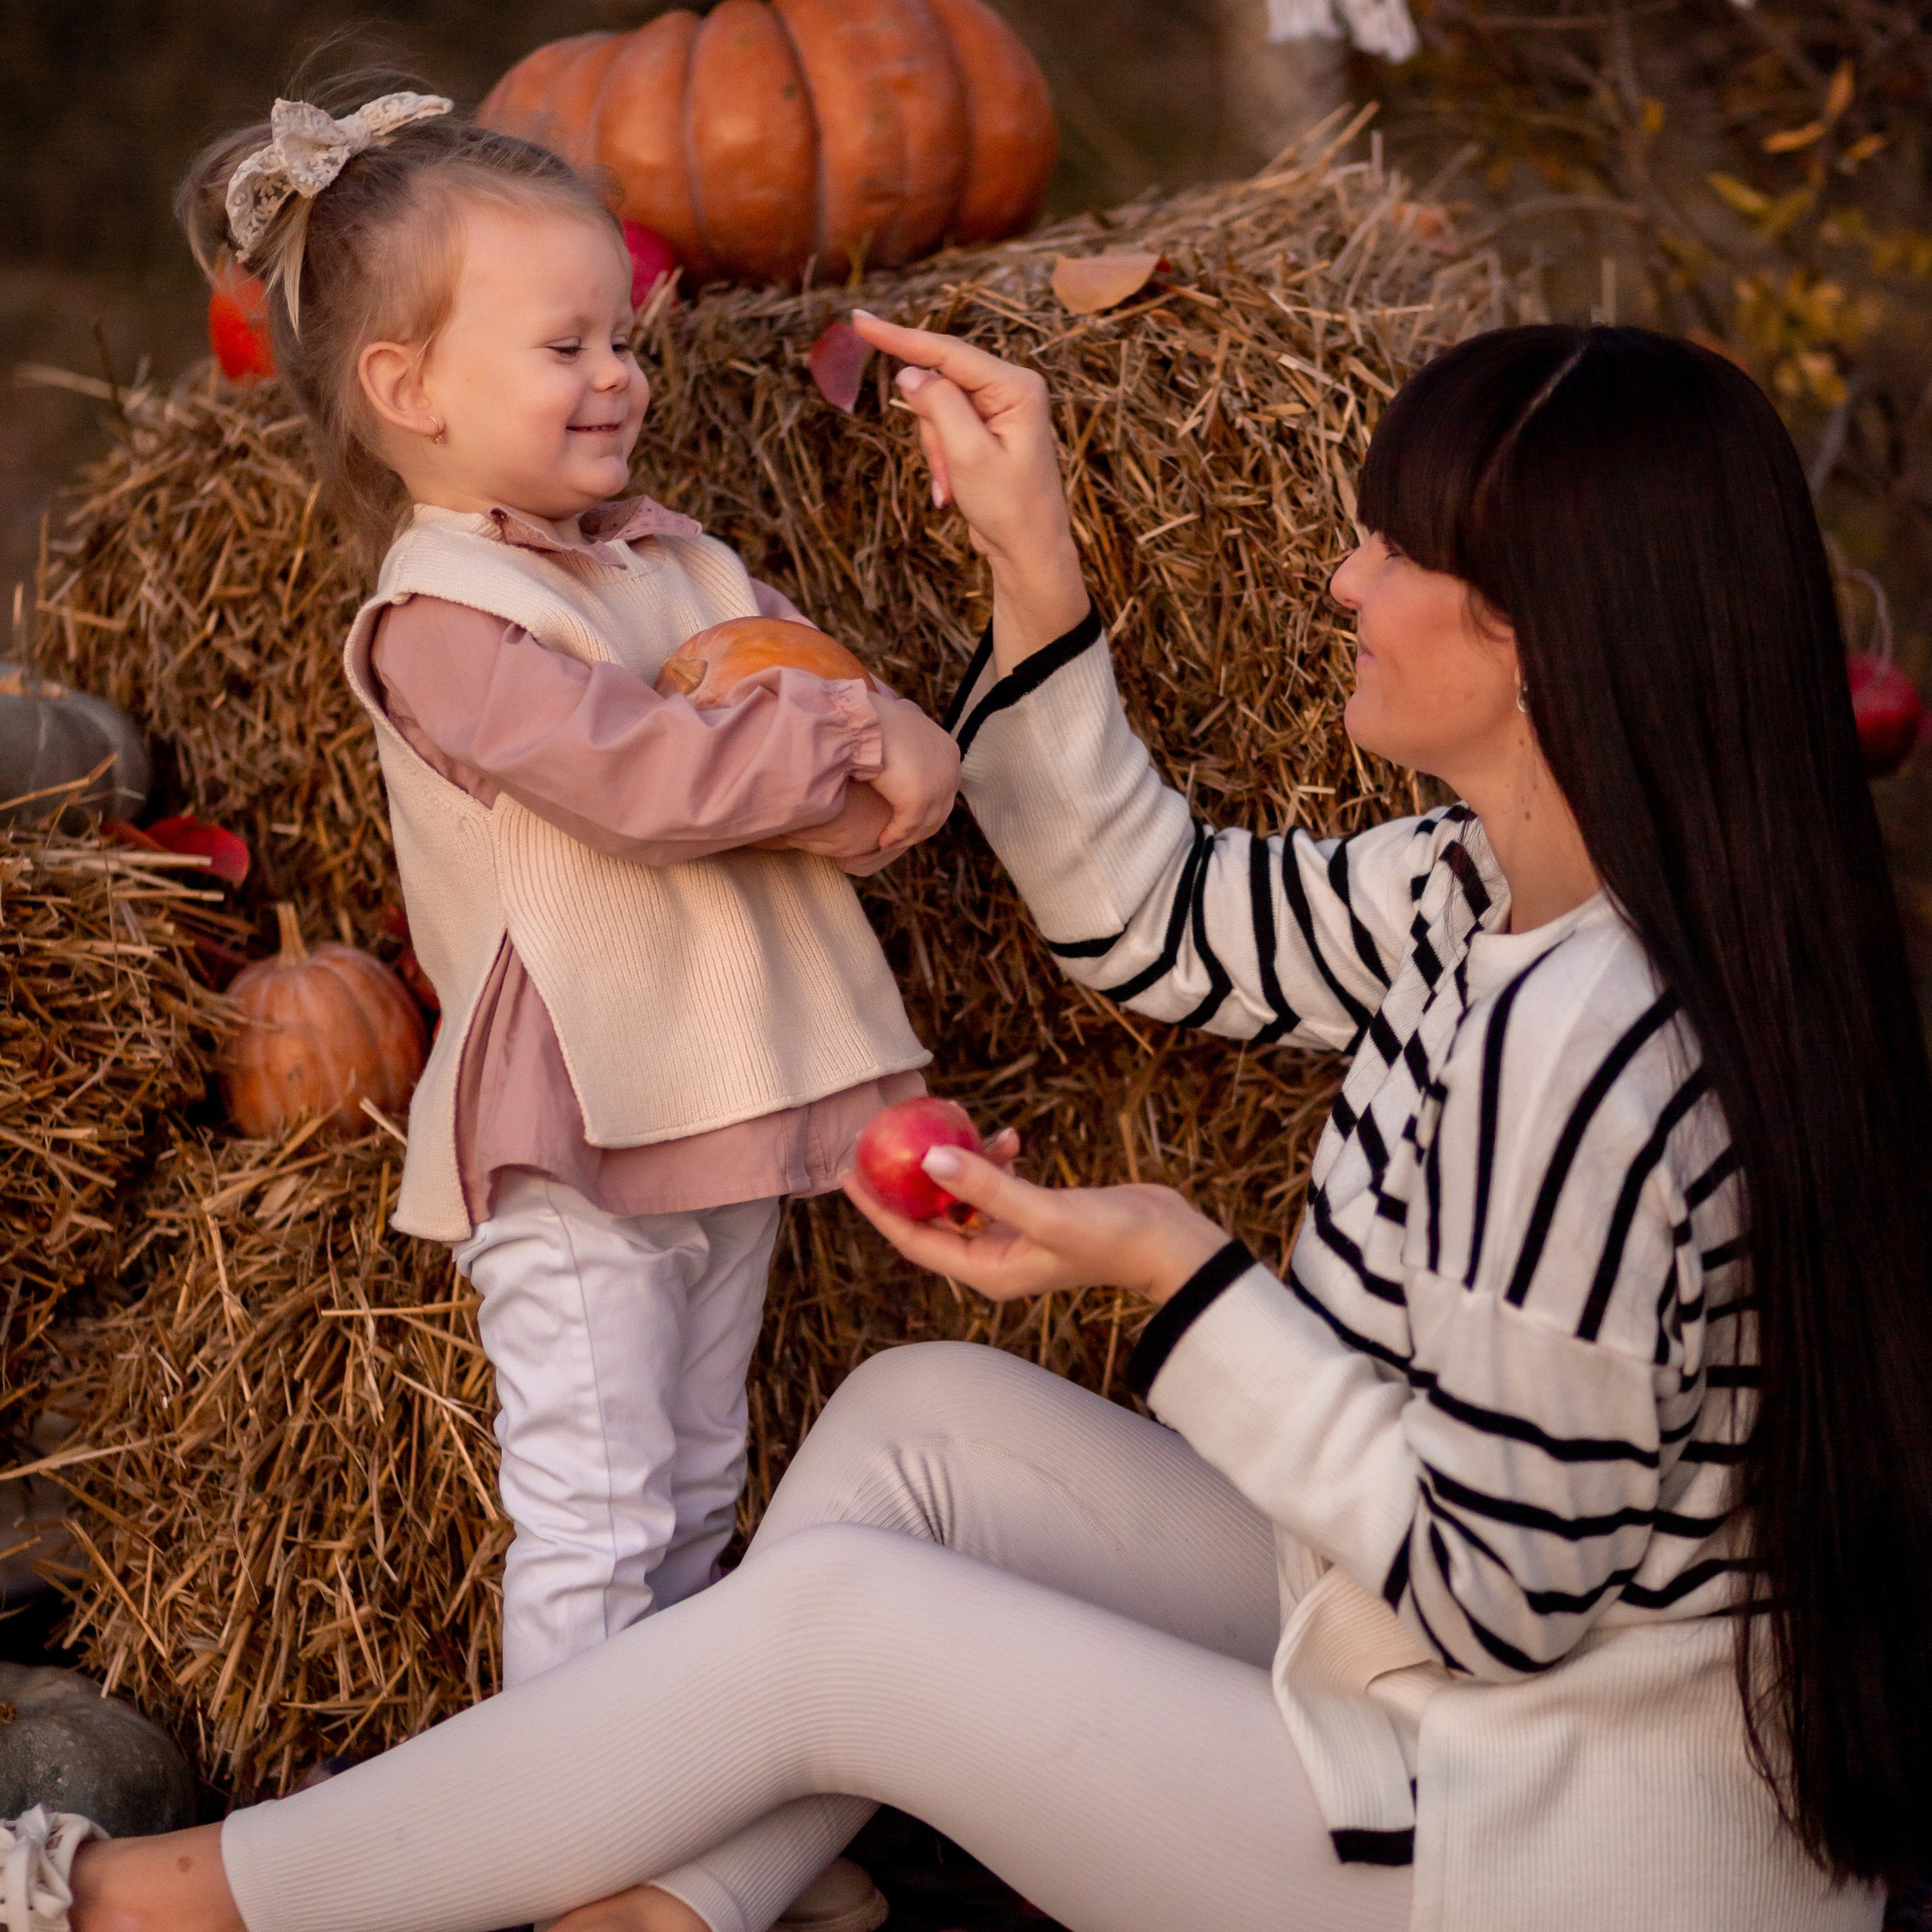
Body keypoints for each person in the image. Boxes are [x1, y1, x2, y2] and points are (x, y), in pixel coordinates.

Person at [27, 313, 1930, 1932]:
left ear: (1534, 633)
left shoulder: (1593, 1046)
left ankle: (145, 1900)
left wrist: (1183, 1277)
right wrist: (1030, 557)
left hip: (1542, 1846)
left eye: (1388, 547)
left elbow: (1495, 1596)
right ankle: (653, 1912)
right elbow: (1154, 919)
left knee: (838, 1629)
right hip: (1444, 1690)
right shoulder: (1487, 891)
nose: (1340, 580)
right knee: (913, 1422)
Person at [165, 82, 964, 1932]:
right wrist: (857, 732)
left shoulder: (673, 557)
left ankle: (678, 1837)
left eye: (623, 335)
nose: (616, 375)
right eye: (562, 345)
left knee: (694, 1486)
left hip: (716, 1080)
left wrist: (875, 750)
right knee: (593, 1512)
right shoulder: (439, 619)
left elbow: (792, 714)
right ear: (407, 388)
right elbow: (645, 774)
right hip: (574, 1118)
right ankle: (573, 1868)